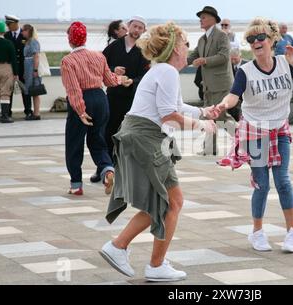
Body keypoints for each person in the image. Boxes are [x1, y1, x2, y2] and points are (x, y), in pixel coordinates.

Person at [99, 22, 219, 281]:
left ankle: (129, 251)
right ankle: (140, 257)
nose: (189, 48)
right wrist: (201, 125)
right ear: (176, 48)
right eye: (186, 43)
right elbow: (168, 115)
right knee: (171, 202)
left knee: (167, 202)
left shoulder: (161, 71)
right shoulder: (166, 72)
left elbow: (174, 105)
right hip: (146, 139)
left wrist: (203, 111)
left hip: (141, 137)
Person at [216, 18, 293, 253]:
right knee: (262, 184)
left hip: (279, 129)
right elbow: (233, 96)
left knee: (283, 181)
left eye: (261, 38)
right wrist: (222, 104)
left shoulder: (285, 63)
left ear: (272, 41)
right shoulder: (245, 71)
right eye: (251, 39)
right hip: (255, 132)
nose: (256, 42)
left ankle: (291, 233)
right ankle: (257, 233)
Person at [61, 21, 133, 196]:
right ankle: (107, 170)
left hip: (83, 100)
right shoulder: (98, 56)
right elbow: (109, 80)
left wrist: (80, 111)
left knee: (74, 144)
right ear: (85, 38)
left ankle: (76, 184)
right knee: (98, 140)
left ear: (70, 40)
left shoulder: (68, 61)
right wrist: (121, 80)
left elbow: (73, 89)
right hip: (101, 99)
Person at [97, 16, 150, 183]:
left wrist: (132, 81)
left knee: (129, 135)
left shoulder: (144, 50)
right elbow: (101, 66)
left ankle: (126, 171)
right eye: (134, 26)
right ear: (128, 26)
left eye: (140, 28)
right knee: (107, 133)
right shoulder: (115, 46)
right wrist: (113, 70)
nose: (136, 30)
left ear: (144, 31)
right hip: (113, 97)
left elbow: (146, 75)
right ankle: (105, 169)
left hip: (133, 99)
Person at [187, 6, 235, 156]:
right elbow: (191, 57)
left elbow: (224, 57)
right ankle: (210, 148)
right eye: (200, 18)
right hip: (207, 86)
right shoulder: (201, 40)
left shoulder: (222, 36)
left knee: (220, 117)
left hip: (221, 85)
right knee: (208, 117)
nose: (201, 20)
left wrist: (204, 60)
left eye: (204, 17)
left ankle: (245, 140)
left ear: (213, 19)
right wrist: (172, 62)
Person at [4, 15, 32, 120]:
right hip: (10, 67)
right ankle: (8, 112)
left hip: (23, 67)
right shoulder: (6, 36)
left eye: (9, 24)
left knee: (25, 90)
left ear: (15, 23)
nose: (8, 26)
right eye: (7, 25)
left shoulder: (24, 35)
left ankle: (28, 111)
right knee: (8, 90)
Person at [0, 21, 18, 123]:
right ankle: (5, 116)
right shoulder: (8, 43)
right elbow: (14, 59)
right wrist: (15, 73)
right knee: (5, 92)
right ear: (3, 31)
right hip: (5, 68)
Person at [21, 24, 42, 120]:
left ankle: (37, 113)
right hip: (28, 67)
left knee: (35, 91)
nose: (22, 32)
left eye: (23, 31)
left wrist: (35, 70)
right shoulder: (28, 41)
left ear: (28, 31)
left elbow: (36, 56)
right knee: (32, 90)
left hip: (32, 68)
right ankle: (35, 112)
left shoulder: (33, 42)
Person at [228, 47, 247, 121]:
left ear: (240, 56)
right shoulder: (228, 66)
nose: (233, 61)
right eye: (231, 59)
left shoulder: (247, 65)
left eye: (235, 59)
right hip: (233, 95)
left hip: (244, 96)